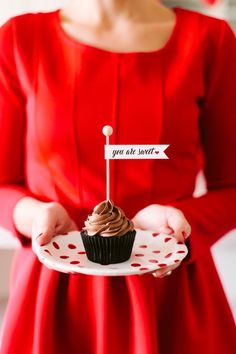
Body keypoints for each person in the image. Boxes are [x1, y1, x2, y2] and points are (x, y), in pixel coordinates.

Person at [0, 0, 236, 353]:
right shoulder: (18, 39)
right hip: (53, 296)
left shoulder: (210, 40)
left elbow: (232, 187)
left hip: (171, 296)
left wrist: (181, 224)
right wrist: (36, 216)